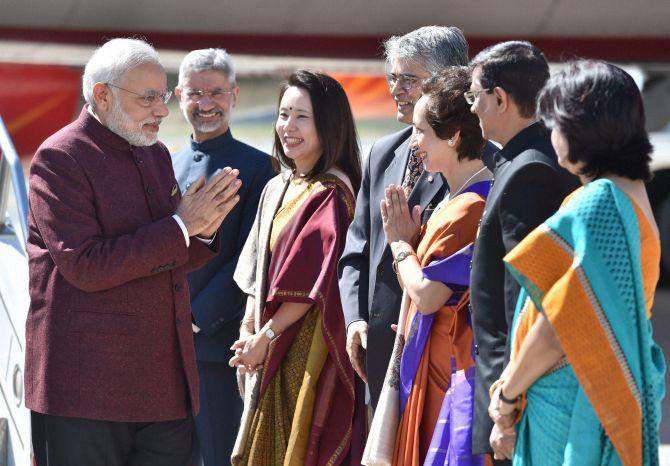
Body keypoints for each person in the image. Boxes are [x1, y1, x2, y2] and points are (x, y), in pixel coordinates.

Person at [25, 38, 241, 466]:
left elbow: (166, 252)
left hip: (163, 388)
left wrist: (201, 233)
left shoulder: (156, 154)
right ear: (102, 95)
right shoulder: (59, 158)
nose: (162, 110)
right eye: (148, 98)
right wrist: (183, 226)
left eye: (162, 97)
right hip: (85, 392)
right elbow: (85, 265)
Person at [489, 60, 666, 465]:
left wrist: (507, 395)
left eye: (555, 123)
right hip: (588, 389)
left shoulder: (601, 204)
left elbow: (561, 326)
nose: (551, 135)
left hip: (567, 398)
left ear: (583, 126)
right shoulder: (631, 194)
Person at [229, 70, 366, 465]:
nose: (288, 127)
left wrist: (265, 336)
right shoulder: (278, 185)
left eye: (301, 117)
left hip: (306, 349)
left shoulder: (333, 194)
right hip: (266, 343)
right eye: (283, 114)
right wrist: (247, 331)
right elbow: (258, 271)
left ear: (329, 124)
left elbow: (310, 287)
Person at [363, 67, 492, 466]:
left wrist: (401, 245)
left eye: (421, 131)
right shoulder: (457, 199)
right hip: (434, 363)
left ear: (453, 136)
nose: (413, 141)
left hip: (450, 371)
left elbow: (428, 294)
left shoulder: (471, 206)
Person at [339, 26, 470, 406]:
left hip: (436, 357)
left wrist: (403, 244)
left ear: (446, 83)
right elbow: (356, 249)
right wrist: (355, 321)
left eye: (408, 79)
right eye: (392, 77)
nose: (395, 89)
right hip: (377, 358)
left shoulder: (473, 164)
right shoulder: (383, 151)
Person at [466, 41, 580, 463]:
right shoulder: (533, 157)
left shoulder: (529, 169)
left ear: (500, 98)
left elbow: (524, 303)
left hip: (518, 394)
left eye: (474, 96)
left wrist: (506, 406)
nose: (472, 107)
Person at [171, 48, 274, 466]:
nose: (206, 103)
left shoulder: (259, 168)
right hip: (161, 350)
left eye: (216, 92)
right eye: (196, 93)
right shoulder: (166, 164)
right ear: (179, 96)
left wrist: (193, 319)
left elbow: (250, 262)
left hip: (218, 347)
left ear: (233, 95)